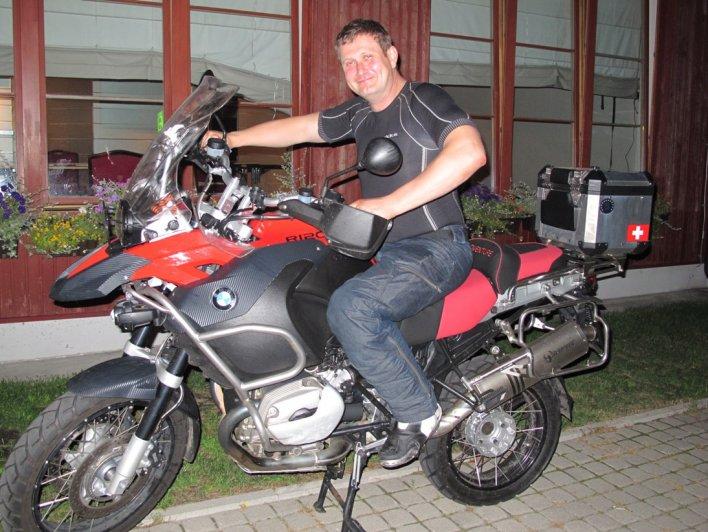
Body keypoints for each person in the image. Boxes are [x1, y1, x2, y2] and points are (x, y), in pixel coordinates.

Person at [202, 19, 486, 467]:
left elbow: (470, 152)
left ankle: (418, 412)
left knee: (353, 308)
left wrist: (386, 206)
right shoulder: (360, 114)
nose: (359, 68)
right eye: (349, 62)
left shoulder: (422, 100)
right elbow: (302, 128)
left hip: (436, 247)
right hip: (379, 248)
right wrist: (230, 139)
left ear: (392, 56)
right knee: (301, 287)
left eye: (368, 56)